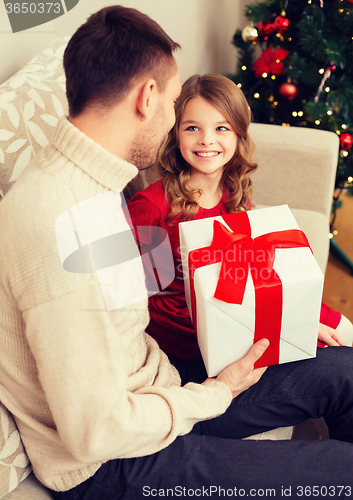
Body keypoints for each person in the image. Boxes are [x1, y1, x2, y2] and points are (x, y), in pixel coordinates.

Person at [0, 6, 353, 500]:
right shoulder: (58, 224)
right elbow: (94, 431)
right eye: (173, 104)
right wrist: (215, 393)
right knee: (344, 470)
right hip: (114, 461)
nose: (174, 122)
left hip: (163, 395)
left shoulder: (96, 185)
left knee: (345, 371)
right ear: (148, 97)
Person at [127, 73, 352, 362]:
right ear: (176, 134)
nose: (207, 140)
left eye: (221, 128)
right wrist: (292, 327)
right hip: (192, 328)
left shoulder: (231, 189)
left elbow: (244, 272)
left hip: (240, 299)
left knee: (342, 327)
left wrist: (298, 314)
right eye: (192, 128)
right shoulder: (153, 206)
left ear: (238, 135)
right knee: (333, 355)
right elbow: (132, 297)